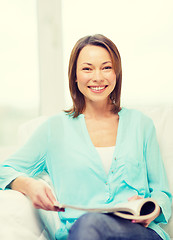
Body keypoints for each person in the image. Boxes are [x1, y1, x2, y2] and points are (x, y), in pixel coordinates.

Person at [0, 34, 172, 240]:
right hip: (81, 232)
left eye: (106, 67)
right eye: (87, 68)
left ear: (116, 72)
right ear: (74, 75)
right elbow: (5, 169)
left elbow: (162, 193)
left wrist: (153, 209)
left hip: (138, 232)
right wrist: (28, 184)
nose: (98, 77)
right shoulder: (54, 129)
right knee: (89, 224)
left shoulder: (141, 124)